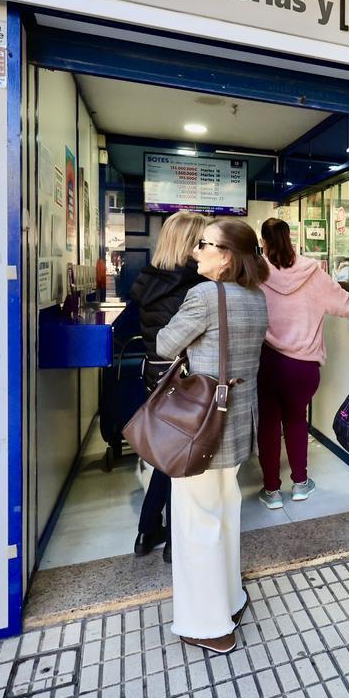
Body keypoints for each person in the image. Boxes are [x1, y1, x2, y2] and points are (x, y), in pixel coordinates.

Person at [156, 218, 269, 654]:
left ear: (226, 256)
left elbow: (166, 344)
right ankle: (231, 599)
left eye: (204, 245)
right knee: (224, 513)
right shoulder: (256, 298)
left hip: (202, 426)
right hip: (239, 423)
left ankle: (209, 626)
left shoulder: (203, 296)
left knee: (195, 522)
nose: (194, 252)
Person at [256, 218, 349, 508]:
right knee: (296, 420)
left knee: (268, 425)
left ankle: (272, 491)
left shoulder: (254, 273)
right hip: (303, 366)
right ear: (291, 238)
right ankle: (301, 485)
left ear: (263, 241)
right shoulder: (313, 272)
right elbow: (347, 305)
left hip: (266, 362)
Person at [128, 210, 209, 563]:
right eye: (204, 242)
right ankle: (177, 541)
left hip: (156, 378)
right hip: (186, 380)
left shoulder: (148, 281)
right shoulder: (194, 287)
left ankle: (147, 530)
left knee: (166, 455)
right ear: (191, 246)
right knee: (183, 462)